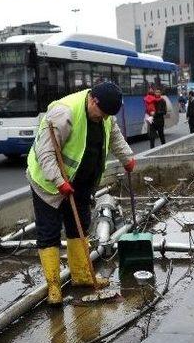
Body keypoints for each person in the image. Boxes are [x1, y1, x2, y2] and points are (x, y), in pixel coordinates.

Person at [26, 82, 136, 305]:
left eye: (108, 115)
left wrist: (128, 158)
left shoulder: (105, 115)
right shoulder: (63, 114)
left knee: (79, 226)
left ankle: (82, 276)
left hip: (80, 183)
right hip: (49, 184)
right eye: (102, 113)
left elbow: (115, 137)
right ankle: (54, 286)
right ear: (93, 101)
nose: (103, 118)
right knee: (49, 232)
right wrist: (58, 181)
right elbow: (45, 153)